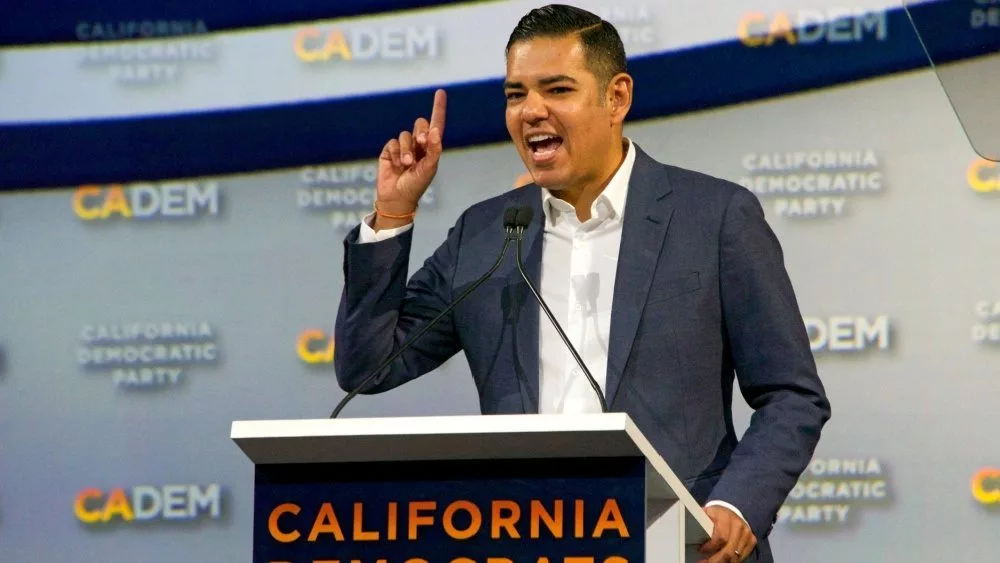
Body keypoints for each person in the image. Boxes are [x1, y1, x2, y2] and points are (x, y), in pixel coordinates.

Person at [334, 5, 830, 562]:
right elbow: (367, 367)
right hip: (526, 542)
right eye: (516, 94)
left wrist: (736, 506)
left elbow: (791, 394)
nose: (531, 111)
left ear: (616, 98)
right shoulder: (485, 233)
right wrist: (393, 214)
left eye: (557, 89)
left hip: (682, 547)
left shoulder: (714, 217)